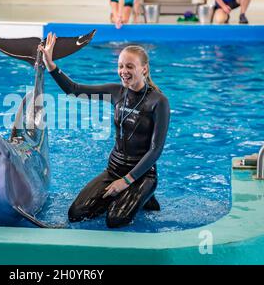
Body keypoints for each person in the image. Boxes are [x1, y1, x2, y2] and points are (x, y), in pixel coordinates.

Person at [38, 33, 170, 228]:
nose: (123, 71)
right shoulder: (117, 92)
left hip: (142, 175)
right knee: (77, 214)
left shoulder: (158, 102)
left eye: (130, 66)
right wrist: (51, 66)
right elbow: (74, 89)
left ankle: (143, 194)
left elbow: (156, 150)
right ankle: (131, 197)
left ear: (144, 68)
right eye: (121, 66)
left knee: (115, 220)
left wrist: (125, 181)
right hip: (114, 169)